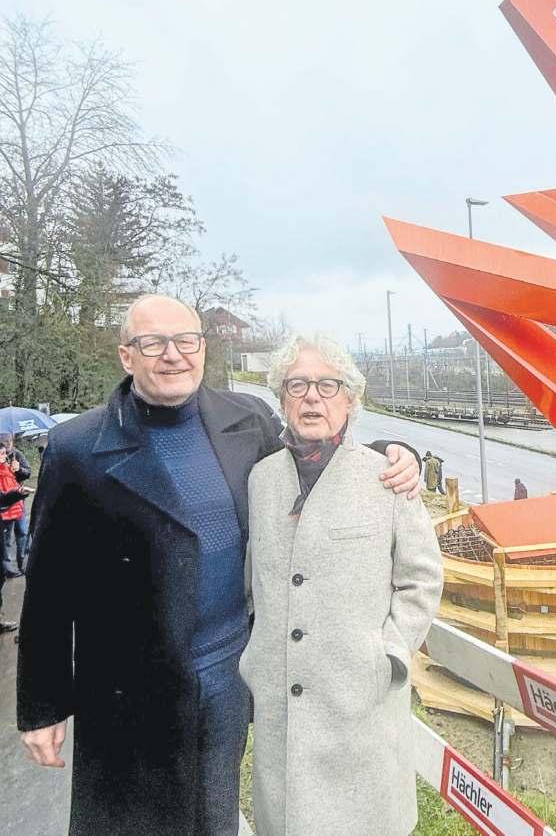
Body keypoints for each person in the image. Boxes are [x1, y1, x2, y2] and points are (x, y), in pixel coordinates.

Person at [17, 294, 422, 836]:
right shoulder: (78, 447)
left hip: (228, 676)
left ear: (203, 349)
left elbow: (315, 451)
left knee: (214, 816)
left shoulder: (245, 421)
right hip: (125, 687)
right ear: (125, 355)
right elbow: (49, 585)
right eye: (152, 343)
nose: (172, 355)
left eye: (186, 340)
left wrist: (396, 451)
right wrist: (42, 706)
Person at [241, 335, 443, 836]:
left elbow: (421, 578)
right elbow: (252, 581)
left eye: (328, 385)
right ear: (282, 398)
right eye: (297, 385)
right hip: (281, 712)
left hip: (361, 709)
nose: (312, 397)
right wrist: (255, 660)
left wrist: (389, 654)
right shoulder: (261, 480)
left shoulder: (387, 478)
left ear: (350, 399)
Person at [0, 451, 29, 633]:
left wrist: (18, 473)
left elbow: (25, 473)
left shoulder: (12, 461)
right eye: (1, 453)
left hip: (13, 511)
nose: (4, 455)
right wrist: (17, 494)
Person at [0, 433, 31, 576]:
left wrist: (18, 470)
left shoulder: (17, 455)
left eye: (9, 441)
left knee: (22, 532)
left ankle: (21, 563)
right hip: (6, 506)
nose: (7, 444)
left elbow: (27, 473)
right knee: (6, 538)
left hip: (18, 503)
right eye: (4, 442)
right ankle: (8, 568)